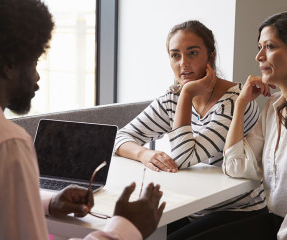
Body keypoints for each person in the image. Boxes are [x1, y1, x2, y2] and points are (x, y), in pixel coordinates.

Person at [0, 0, 165, 239]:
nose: (36, 77)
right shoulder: (8, 143)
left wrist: (47, 203)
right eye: (34, 62)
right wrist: (125, 228)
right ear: (9, 65)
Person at [114, 20, 267, 239]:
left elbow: (185, 157)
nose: (183, 63)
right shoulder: (171, 99)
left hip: (240, 212)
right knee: (134, 233)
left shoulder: (236, 100)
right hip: (193, 208)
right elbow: (120, 137)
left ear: (211, 56)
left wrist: (186, 94)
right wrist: (145, 153)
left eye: (192, 53)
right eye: (175, 55)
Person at [186, 11, 287, 240]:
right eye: (259, 47)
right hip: (272, 222)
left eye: (270, 46)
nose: (259, 56)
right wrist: (240, 103)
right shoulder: (272, 108)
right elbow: (235, 166)